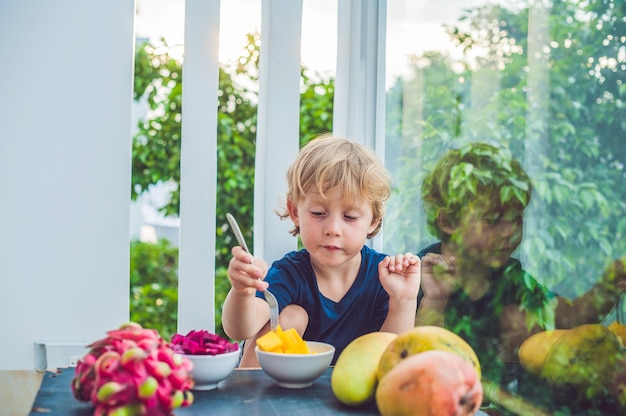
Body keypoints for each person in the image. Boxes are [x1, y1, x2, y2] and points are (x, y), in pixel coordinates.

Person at [414, 142, 626, 387]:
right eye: (493, 220)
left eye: (517, 218)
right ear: (449, 221)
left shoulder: (511, 277)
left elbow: (566, 318)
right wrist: (436, 301)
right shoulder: (419, 276)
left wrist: (608, 286)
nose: (509, 231)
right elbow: (414, 355)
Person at [222, 134, 421, 367]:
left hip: (344, 393)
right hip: (275, 388)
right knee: (294, 315)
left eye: (350, 217)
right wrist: (242, 292)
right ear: (295, 211)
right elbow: (240, 329)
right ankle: (249, 395)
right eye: (318, 213)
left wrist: (403, 300)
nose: (333, 229)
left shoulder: (383, 277)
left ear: (374, 221)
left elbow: (392, 358)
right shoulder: (290, 273)